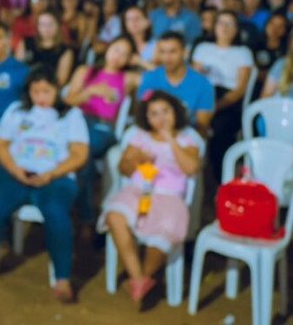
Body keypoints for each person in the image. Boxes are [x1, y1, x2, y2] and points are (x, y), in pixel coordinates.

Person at [0, 67, 89, 302]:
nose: (40, 96)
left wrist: (52, 173)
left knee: (57, 214)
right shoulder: (17, 111)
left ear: (57, 90)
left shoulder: (71, 115)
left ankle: (62, 278)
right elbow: (0, 143)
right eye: (35, 90)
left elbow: (80, 154)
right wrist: (15, 170)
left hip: (56, 176)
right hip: (16, 173)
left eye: (46, 91)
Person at [100, 90, 202, 304]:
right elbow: (124, 169)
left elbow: (191, 168)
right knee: (115, 216)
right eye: (154, 113)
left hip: (169, 196)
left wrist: (171, 141)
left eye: (165, 111)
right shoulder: (139, 137)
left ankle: (142, 277)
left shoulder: (187, 139)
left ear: (176, 113)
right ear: (147, 118)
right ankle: (138, 277)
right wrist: (135, 158)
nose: (161, 118)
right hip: (138, 191)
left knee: (164, 232)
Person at [64, 36, 140, 227]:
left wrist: (141, 61)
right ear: (107, 49)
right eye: (116, 50)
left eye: (125, 54)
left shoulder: (128, 78)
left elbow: (156, 79)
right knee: (82, 152)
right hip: (77, 122)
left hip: (103, 128)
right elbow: (68, 100)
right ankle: (85, 213)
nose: (118, 57)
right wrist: (90, 92)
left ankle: (83, 213)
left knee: (83, 150)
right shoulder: (86, 71)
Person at [190, 11, 254, 178]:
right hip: (203, 92)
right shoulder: (203, 48)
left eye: (229, 24)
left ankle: (221, 179)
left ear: (236, 29)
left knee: (222, 131)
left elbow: (240, 89)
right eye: (221, 23)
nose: (224, 28)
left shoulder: (243, 52)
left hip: (228, 98)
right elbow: (194, 77)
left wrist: (216, 106)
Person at [138, 32, 215, 135]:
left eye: (172, 51)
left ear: (185, 52)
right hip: (152, 133)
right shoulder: (150, 77)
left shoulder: (203, 84)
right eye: (162, 52)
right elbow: (143, 114)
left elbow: (201, 126)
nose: (167, 57)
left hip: (186, 136)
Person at [15, 10, 74, 87]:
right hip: (25, 85)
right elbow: (16, 68)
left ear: (58, 26)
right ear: (38, 26)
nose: (46, 28)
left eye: (50, 24)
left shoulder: (65, 51)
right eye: (43, 24)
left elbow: (61, 80)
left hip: (50, 89)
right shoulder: (26, 42)